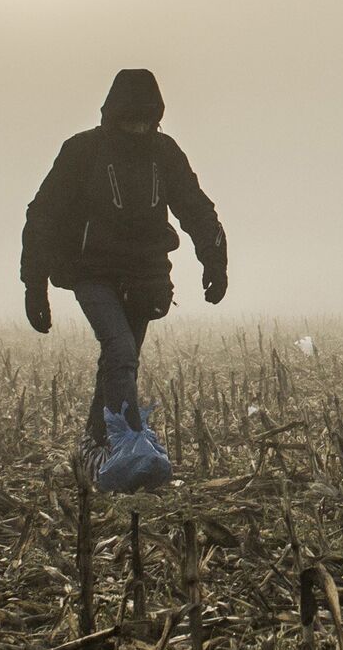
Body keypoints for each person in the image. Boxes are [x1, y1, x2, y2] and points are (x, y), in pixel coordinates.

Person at [21, 70, 228, 492]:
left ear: (156, 120)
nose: (137, 129)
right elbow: (43, 215)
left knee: (122, 358)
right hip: (90, 272)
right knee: (119, 350)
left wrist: (215, 261)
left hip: (146, 276)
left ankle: (93, 449)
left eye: (145, 122)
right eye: (129, 121)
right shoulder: (82, 152)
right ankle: (128, 448)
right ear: (111, 117)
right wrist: (34, 285)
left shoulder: (165, 153)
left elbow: (195, 207)